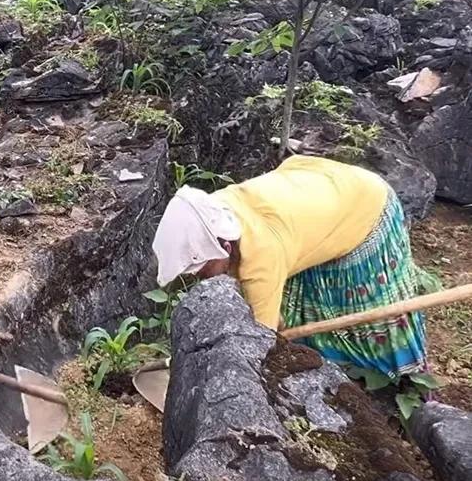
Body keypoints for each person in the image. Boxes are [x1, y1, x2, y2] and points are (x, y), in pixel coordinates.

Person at [152, 154, 426, 377]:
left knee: (362, 307)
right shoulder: (216, 208)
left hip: (366, 204)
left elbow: (260, 343)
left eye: (200, 268)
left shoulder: (263, 259)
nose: (198, 277)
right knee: (300, 299)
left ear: (225, 248)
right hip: (319, 188)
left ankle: (397, 377)